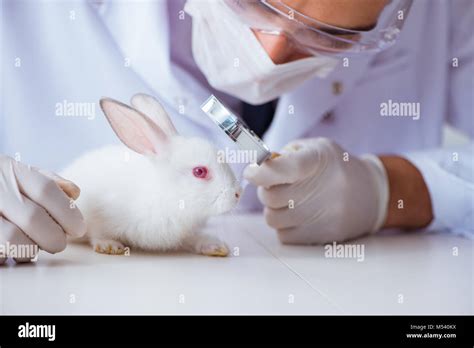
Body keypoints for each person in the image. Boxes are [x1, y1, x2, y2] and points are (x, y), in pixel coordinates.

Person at [1, 0, 472, 263]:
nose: (272, 51)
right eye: (252, 2)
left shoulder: (446, 12)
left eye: (333, 36)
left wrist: (394, 188)